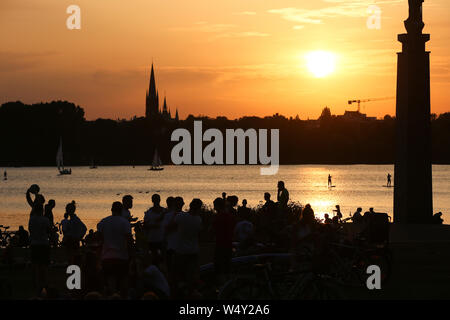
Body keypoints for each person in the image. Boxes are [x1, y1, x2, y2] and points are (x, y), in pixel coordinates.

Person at [97, 202, 133, 298]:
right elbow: (129, 240)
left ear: (111, 210)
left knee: (110, 281)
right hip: (122, 256)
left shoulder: (103, 222)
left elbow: (99, 238)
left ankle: (112, 295)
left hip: (107, 256)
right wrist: (131, 254)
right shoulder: (124, 222)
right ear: (121, 211)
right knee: (123, 281)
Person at [173, 198, 203, 297]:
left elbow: (172, 226)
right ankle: (191, 291)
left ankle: (182, 292)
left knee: (180, 273)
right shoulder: (198, 220)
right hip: (193, 250)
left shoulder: (181, 216)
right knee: (192, 274)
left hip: (181, 250)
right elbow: (199, 234)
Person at [28, 199, 51, 296]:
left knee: (36, 265)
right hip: (44, 244)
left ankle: (36, 284)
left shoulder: (32, 219)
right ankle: (44, 284)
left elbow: (30, 229)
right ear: (42, 210)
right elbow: (48, 231)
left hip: (34, 244)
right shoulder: (45, 220)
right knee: (44, 266)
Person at [213, 198, 236, 285]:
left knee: (219, 269)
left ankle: (222, 287)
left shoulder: (218, 217)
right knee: (227, 267)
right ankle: (229, 286)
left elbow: (213, 230)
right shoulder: (231, 217)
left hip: (220, 244)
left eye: (215, 206)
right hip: (229, 244)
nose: (214, 208)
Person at [144, 194, 165, 267]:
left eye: (157, 199)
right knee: (153, 259)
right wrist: (153, 226)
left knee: (162, 258)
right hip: (152, 239)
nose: (156, 201)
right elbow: (145, 226)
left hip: (162, 239)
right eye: (155, 199)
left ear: (160, 200)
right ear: (152, 201)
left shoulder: (164, 211)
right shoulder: (149, 212)